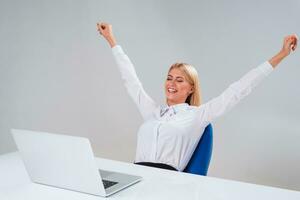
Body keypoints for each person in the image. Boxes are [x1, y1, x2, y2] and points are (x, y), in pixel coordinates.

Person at [97, 22, 298, 172]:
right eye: (169, 78)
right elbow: (130, 80)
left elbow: (238, 90)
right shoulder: (153, 112)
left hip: (166, 184)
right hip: (136, 177)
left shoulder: (197, 116)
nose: (171, 84)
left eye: (179, 80)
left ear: (191, 88)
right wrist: (112, 40)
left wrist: (281, 54)